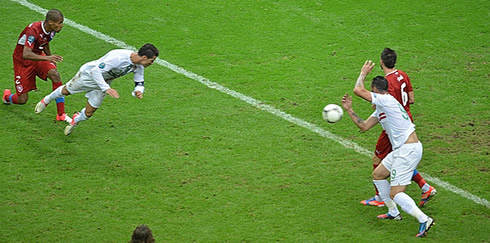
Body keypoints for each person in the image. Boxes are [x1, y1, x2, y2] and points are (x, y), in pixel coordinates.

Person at [342, 60, 434, 237]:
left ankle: (424, 220)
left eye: (372, 90)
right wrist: (349, 110)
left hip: (408, 150)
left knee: (396, 193)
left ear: (376, 90)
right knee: (378, 174)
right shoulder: (382, 107)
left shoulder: (386, 100)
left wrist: (363, 73)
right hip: (401, 150)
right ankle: (393, 212)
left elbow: (358, 90)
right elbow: (364, 126)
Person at [360, 48, 436, 208]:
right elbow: (411, 99)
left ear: (381, 62)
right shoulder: (402, 75)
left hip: (394, 125)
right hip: (406, 120)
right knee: (399, 159)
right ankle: (425, 187)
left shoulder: (388, 82)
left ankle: (380, 197)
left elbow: (384, 103)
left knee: (380, 159)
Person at [34, 43, 159, 135]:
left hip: (104, 82)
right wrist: (106, 89)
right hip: (89, 75)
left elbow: (139, 81)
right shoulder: (118, 57)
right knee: (67, 91)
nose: (152, 63)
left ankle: (75, 120)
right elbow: (96, 71)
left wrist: (138, 90)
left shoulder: (138, 66)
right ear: (144, 57)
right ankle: (46, 100)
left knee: (89, 113)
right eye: (152, 60)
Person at [2, 9, 69, 121]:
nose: (61, 25)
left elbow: (45, 43)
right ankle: (7, 97)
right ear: (51, 22)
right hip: (22, 61)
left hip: (38, 56)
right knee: (22, 100)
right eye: (60, 22)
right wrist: (47, 58)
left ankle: (61, 114)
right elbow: (26, 54)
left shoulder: (51, 31)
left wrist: (50, 58)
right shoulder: (33, 31)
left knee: (55, 75)